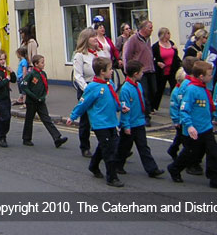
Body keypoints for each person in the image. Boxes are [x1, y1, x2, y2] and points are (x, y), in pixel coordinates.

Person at [167, 61, 217, 190]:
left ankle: (215, 179)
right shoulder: (192, 89)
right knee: (189, 154)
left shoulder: (203, 88)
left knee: (213, 153)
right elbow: (184, 110)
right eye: (209, 75)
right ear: (201, 76)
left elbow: (210, 105)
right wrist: (189, 126)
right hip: (194, 130)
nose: (211, 77)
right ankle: (174, 168)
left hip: (206, 128)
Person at [67, 57, 126, 187]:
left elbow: (113, 100)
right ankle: (112, 177)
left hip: (111, 122)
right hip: (100, 124)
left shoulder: (109, 84)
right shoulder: (93, 87)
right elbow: (83, 103)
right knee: (108, 150)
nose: (112, 71)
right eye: (110, 69)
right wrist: (73, 116)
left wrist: (121, 107)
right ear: (102, 71)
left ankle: (93, 165)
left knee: (109, 146)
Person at [115, 60, 165, 179]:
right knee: (124, 148)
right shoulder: (126, 89)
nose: (143, 74)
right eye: (142, 72)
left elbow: (142, 101)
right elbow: (125, 109)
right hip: (130, 124)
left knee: (143, 147)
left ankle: (152, 169)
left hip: (139, 121)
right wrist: (126, 126)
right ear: (136, 73)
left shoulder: (138, 85)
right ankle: (117, 165)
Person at [21, 54, 68, 148]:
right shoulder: (31, 74)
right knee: (29, 119)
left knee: (47, 119)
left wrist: (43, 97)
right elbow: (24, 86)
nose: (44, 64)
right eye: (42, 62)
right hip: (31, 101)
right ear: (36, 64)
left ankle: (57, 138)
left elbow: (44, 87)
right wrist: (33, 96)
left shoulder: (43, 74)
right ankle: (26, 138)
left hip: (40, 101)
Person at [72, 27, 100, 158]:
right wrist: (87, 89)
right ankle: (85, 147)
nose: (96, 38)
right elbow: (78, 76)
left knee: (103, 116)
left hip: (100, 87)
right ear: (85, 40)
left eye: (96, 36)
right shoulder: (79, 55)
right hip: (87, 88)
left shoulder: (99, 53)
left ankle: (110, 144)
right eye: (92, 36)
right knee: (86, 120)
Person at [122, 20, 155, 126]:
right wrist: (128, 69)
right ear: (144, 28)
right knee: (144, 93)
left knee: (153, 91)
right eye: (150, 27)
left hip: (150, 69)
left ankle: (148, 111)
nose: (152, 29)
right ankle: (146, 116)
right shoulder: (133, 39)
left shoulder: (148, 39)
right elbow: (127, 55)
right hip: (140, 71)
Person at [151, 27, 182, 112]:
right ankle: (153, 107)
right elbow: (152, 58)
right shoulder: (156, 46)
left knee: (174, 88)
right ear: (163, 35)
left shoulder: (171, 43)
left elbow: (175, 56)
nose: (169, 35)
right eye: (168, 33)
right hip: (162, 71)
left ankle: (176, 106)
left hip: (172, 70)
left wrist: (176, 50)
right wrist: (157, 63)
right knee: (159, 89)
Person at [167, 67, 186, 161]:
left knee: (180, 137)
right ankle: (173, 150)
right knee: (181, 137)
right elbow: (174, 107)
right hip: (179, 119)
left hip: (184, 118)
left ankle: (173, 149)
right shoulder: (176, 92)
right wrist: (176, 120)